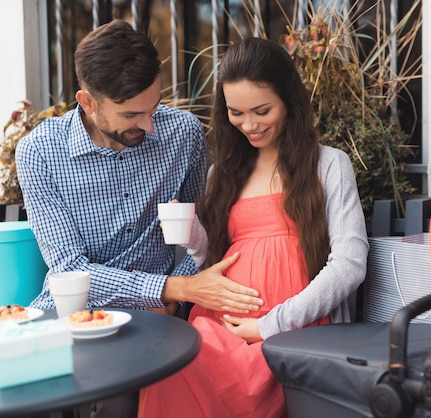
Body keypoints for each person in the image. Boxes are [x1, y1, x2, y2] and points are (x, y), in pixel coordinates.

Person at [15, 20, 263, 418]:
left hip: (164, 318)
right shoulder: (40, 153)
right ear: (87, 101)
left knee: (124, 388)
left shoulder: (182, 133)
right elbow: (69, 269)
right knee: (24, 388)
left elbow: (203, 231)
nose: (149, 124)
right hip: (78, 312)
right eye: (132, 114)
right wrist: (169, 289)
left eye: (154, 106)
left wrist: (174, 297)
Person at [138, 37, 370, 417]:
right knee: (168, 364)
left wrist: (270, 325)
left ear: (289, 102)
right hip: (221, 326)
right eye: (235, 112)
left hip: (296, 330)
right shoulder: (223, 174)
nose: (249, 125)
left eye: (262, 110)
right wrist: (194, 234)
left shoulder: (328, 165)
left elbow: (350, 264)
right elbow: (212, 259)